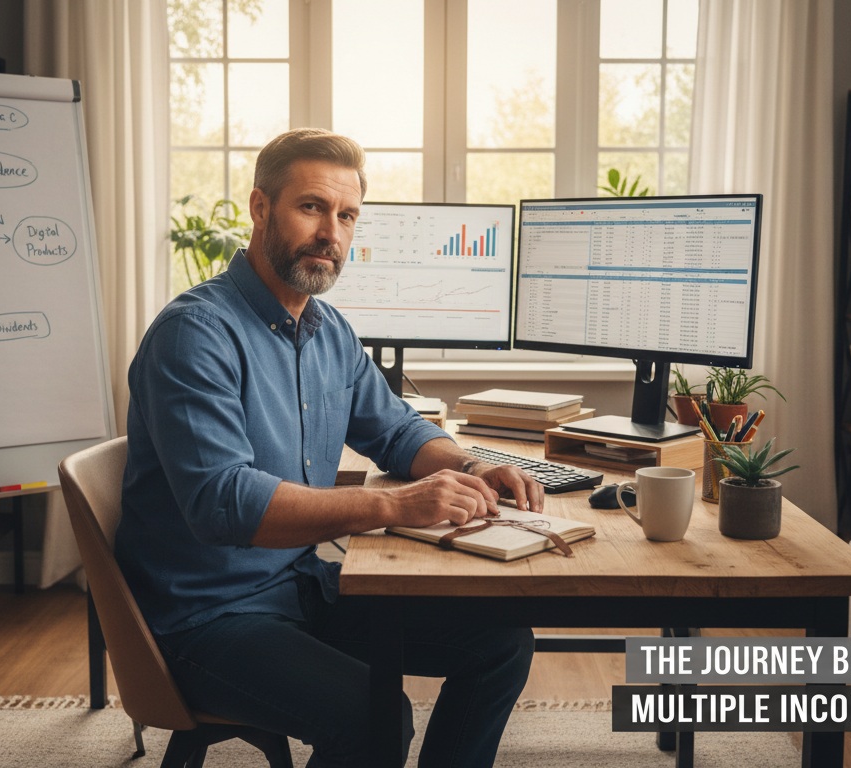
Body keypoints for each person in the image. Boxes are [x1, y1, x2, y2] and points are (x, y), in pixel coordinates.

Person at [116, 127, 543, 767]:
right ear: (261, 209)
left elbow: (394, 430)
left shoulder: (326, 328)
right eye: (312, 208)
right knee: (376, 717)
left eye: (346, 216)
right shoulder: (194, 334)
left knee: (501, 643)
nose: (331, 234)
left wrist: (473, 465)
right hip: (204, 619)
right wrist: (392, 508)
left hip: (296, 585)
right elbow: (222, 503)